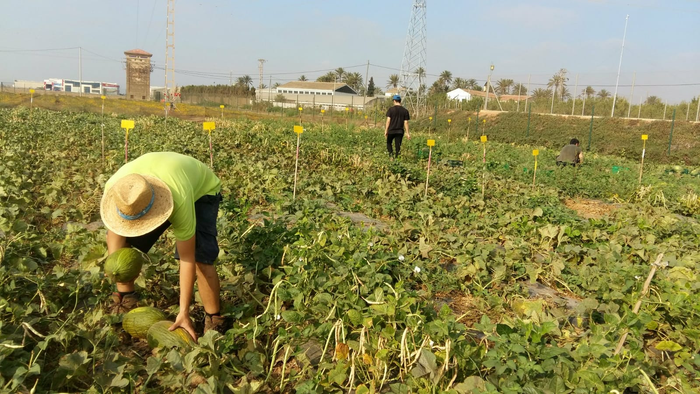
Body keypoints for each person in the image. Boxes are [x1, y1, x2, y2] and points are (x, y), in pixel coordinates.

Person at [100, 152, 224, 339]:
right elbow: (114, 236)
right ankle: (126, 297)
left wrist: (183, 312)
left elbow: (187, 258)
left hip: (201, 190)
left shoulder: (179, 198)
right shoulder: (116, 190)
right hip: (159, 176)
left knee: (201, 258)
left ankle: (214, 318)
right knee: (122, 239)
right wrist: (115, 269)